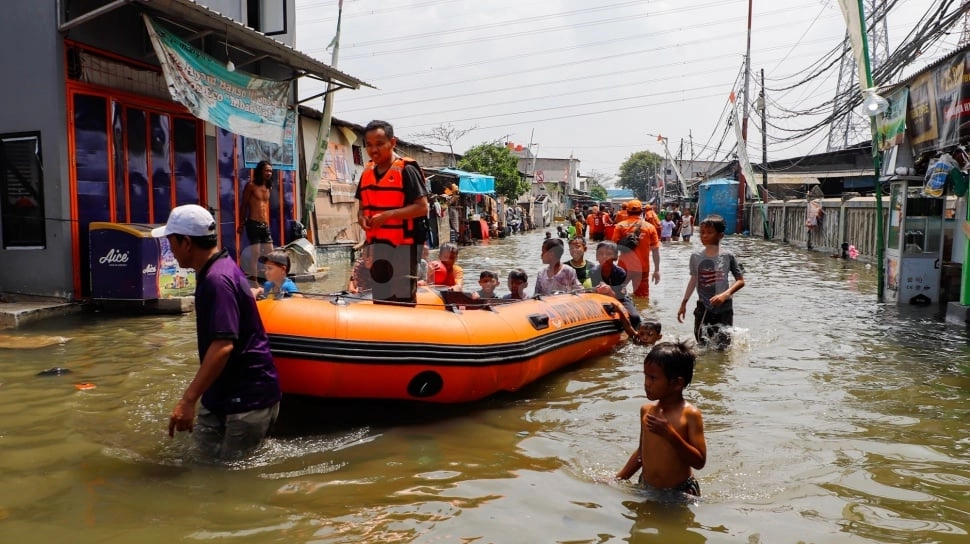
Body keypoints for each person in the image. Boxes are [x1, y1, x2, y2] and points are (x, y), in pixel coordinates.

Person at [151, 204, 281, 460]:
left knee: (229, 477)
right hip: (221, 393)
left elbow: (223, 346)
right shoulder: (215, 268)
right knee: (202, 463)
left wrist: (188, 400)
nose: (170, 250)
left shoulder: (217, 280)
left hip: (247, 398)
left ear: (186, 243)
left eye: (171, 243)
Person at [616, 341, 706, 497]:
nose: (646, 383)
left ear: (677, 383)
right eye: (645, 376)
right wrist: (619, 478)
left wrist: (670, 434)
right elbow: (641, 453)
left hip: (680, 492)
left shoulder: (690, 415)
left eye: (653, 378)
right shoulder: (647, 411)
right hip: (647, 486)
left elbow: (699, 462)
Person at [355, 120, 430, 304]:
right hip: (377, 245)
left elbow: (422, 207)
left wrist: (388, 216)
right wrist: (361, 217)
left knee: (403, 298)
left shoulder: (407, 170)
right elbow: (361, 207)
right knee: (381, 296)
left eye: (380, 144)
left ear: (392, 142)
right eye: (369, 145)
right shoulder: (366, 172)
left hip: (404, 245)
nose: (374, 150)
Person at [676, 214, 746, 350]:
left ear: (720, 236)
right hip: (703, 306)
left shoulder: (727, 256)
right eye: (702, 232)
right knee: (701, 344)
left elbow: (740, 281)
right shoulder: (696, 256)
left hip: (724, 307)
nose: (704, 236)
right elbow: (693, 279)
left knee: (723, 347)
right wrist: (684, 303)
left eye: (709, 233)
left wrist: (725, 294)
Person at [611, 199, 661, 298]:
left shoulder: (620, 226)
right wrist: (657, 270)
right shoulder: (650, 227)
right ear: (642, 212)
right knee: (642, 299)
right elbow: (655, 251)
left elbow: (612, 248)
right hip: (643, 268)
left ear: (627, 211)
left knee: (617, 296)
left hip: (623, 268)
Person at [589, 240, 641, 329]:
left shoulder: (620, 273)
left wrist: (609, 290)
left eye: (609, 254)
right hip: (600, 299)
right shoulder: (593, 272)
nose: (604, 257)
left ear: (615, 257)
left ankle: (635, 333)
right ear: (597, 256)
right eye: (600, 254)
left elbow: (619, 297)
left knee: (635, 317)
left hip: (620, 298)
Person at [237, 160, 274, 278]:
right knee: (255, 254)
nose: (269, 173)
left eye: (270, 171)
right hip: (253, 223)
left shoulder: (269, 187)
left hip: (264, 225)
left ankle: (271, 279)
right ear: (260, 171)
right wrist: (241, 223)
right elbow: (244, 205)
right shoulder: (251, 186)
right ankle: (254, 281)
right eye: (266, 170)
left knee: (271, 253)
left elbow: (265, 207)